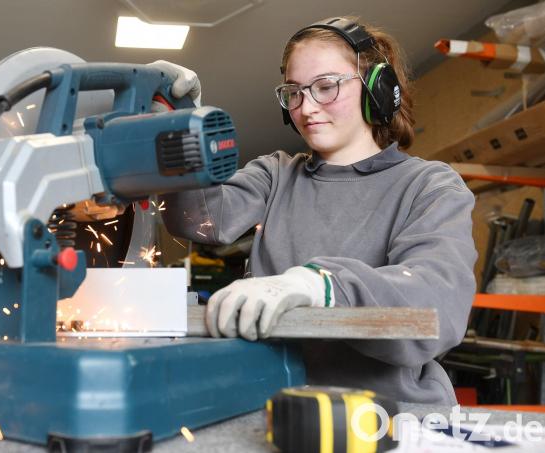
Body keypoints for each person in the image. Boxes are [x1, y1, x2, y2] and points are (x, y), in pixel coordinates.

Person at [154, 17, 478, 405]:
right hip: (274, 404)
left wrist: (320, 285)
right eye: (294, 92)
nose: (306, 108)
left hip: (386, 414)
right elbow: (196, 220)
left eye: (325, 87)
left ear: (378, 87)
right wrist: (184, 130)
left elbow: (436, 306)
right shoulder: (276, 175)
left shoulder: (429, 187)